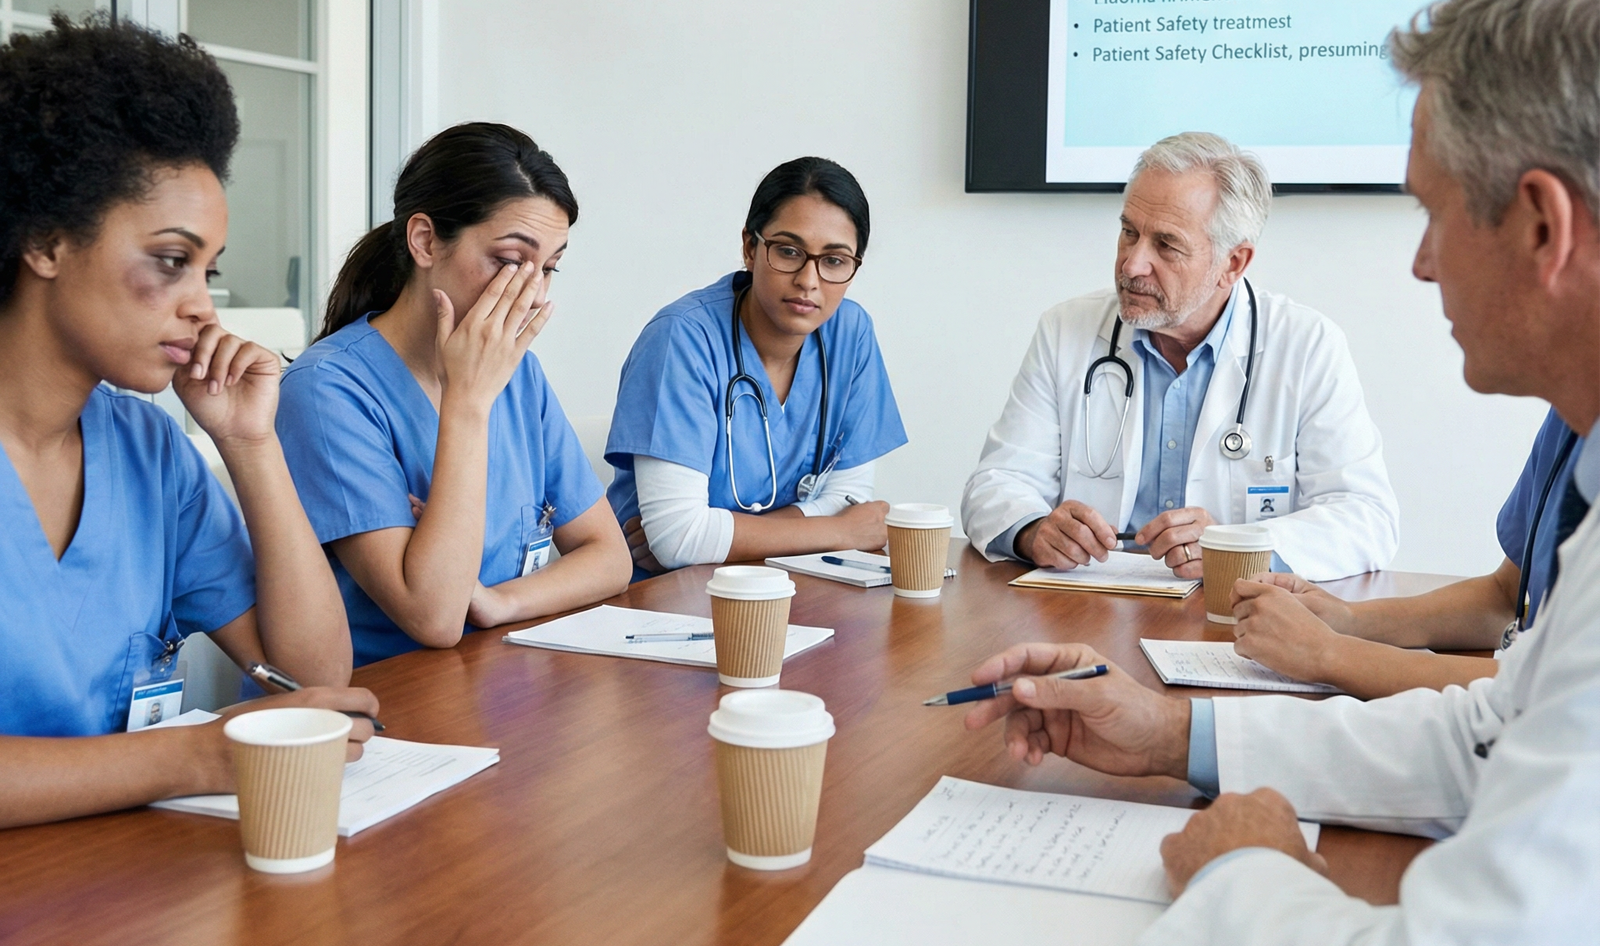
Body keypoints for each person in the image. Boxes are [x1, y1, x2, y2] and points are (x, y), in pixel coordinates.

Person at [963, 0, 1600, 946]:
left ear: (1541, 224)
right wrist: (1176, 732)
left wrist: (1248, 873)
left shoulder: (1305, 345)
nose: (1419, 265)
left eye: (1429, 216)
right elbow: (1494, 730)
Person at [0, 15, 376, 828]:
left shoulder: (148, 448)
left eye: (209, 270)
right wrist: (194, 755)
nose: (202, 305)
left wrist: (250, 443)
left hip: (123, 896)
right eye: (171, 261)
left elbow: (313, 677)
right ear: (45, 240)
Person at [961, 132, 1400, 581]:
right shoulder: (1065, 331)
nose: (1132, 264)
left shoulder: (1307, 346)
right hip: (1089, 607)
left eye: (1166, 245)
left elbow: (1366, 519)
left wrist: (1238, 547)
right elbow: (995, 484)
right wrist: (1033, 531)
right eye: (1129, 232)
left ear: (1233, 264)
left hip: (1234, 613)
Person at [276, 124, 632, 665]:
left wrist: (496, 602)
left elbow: (609, 558)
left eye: (551, 268)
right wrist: (467, 402)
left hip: (495, 676)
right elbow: (435, 617)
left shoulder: (519, 375)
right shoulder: (326, 391)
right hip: (382, 705)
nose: (532, 294)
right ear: (424, 241)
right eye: (511, 262)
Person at [605, 157, 907, 573]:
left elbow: (849, 497)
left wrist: (724, 534)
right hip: (660, 597)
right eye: (788, 251)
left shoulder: (849, 332)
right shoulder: (682, 338)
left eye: (834, 260)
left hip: (783, 585)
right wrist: (842, 532)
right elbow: (678, 540)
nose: (808, 280)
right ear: (750, 247)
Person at [1232, 407, 1580, 696]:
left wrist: (1330, 654)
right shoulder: (1569, 422)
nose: (1448, 318)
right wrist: (1345, 619)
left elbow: (1563, 692)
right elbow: (1507, 599)